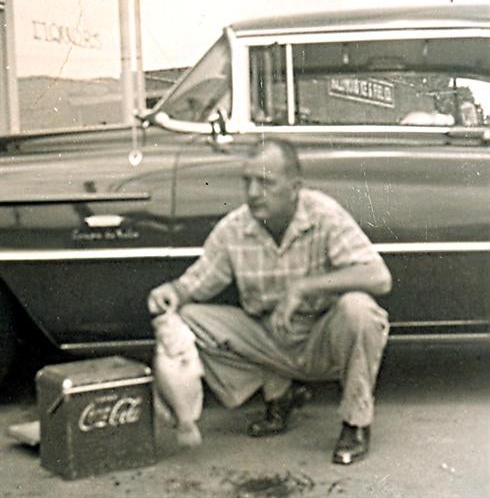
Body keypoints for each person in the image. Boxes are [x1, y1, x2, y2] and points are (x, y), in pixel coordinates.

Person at [148, 138, 392, 465]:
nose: (251, 193)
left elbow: (379, 276)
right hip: (267, 339)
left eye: (264, 182)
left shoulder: (324, 214)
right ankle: (281, 395)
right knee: (188, 317)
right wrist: (170, 293)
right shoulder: (234, 227)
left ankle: (355, 423)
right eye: (246, 181)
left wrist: (303, 288)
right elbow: (194, 285)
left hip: (321, 337)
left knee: (359, 310)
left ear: (294, 188)